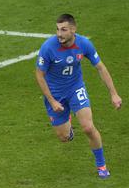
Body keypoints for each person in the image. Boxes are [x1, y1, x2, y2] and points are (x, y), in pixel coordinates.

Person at [35, 14, 122, 178]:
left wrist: (114, 94)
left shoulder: (84, 44)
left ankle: (101, 166)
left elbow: (101, 68)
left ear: (73, 29)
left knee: (88, 127)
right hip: (55, 95)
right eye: (57, 29)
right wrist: (52, 101)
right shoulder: (48, 47)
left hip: (75, 88)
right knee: (64, 137)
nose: (59, 34)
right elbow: (39, 75)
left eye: (63, 29)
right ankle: (67, 121)